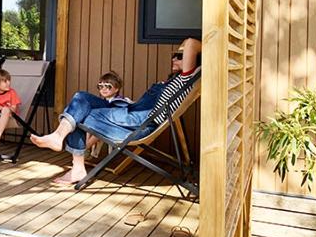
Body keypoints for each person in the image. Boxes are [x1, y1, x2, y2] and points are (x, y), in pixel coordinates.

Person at [31, 38, 201, 184]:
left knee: (80, 112)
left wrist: (202, 47)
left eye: (179, 57)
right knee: (80, 97)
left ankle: (73, 161)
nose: (173, 60)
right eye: (174, 56)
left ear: (193, 60)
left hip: (137, 123)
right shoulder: (175, 82)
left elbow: (192, 43)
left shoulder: (186, 78)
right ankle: (60, 139)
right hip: (130, 115)